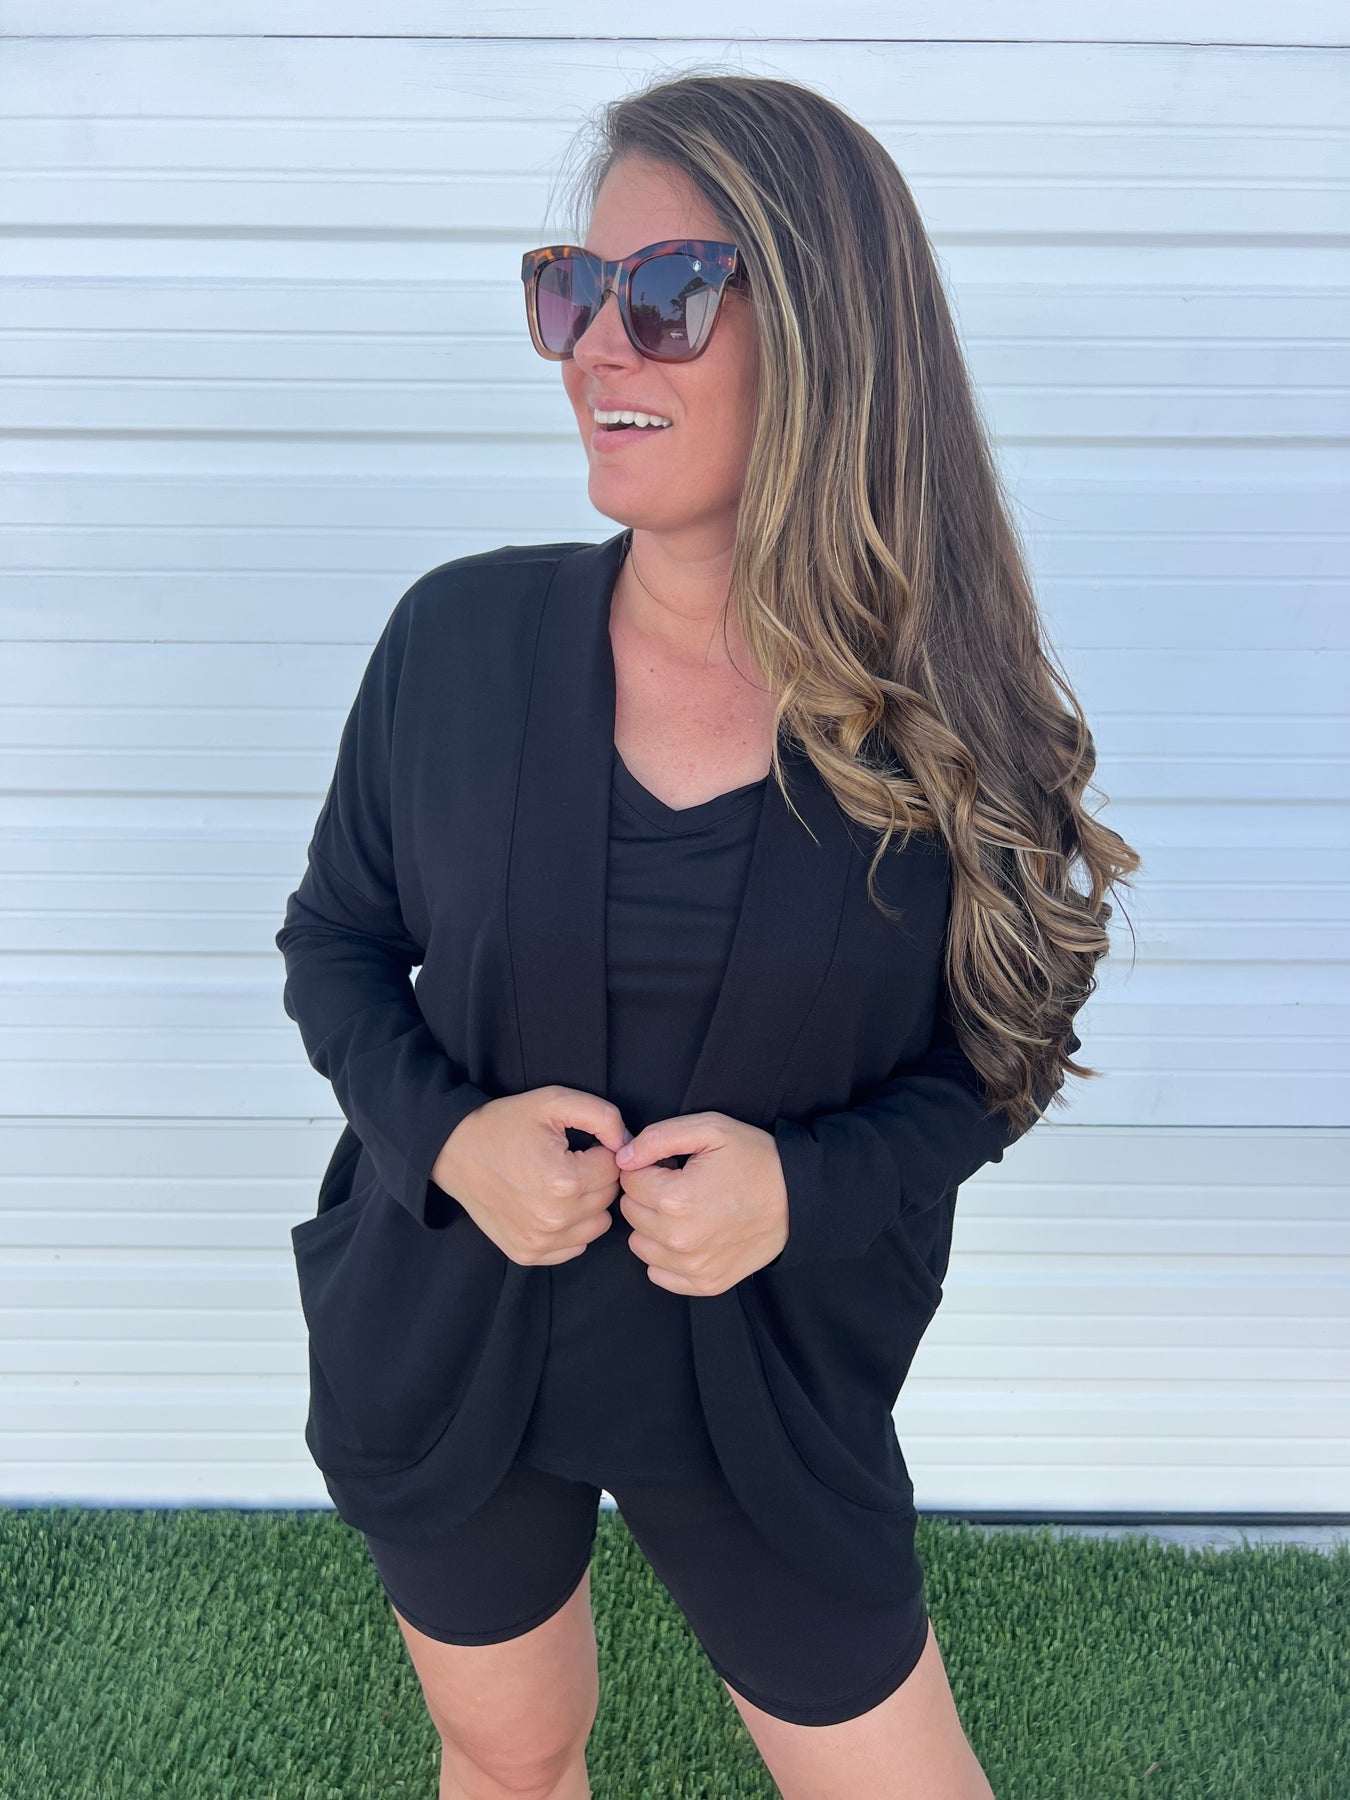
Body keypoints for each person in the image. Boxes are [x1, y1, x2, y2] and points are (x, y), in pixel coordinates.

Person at [275, 69, 1137, 1800]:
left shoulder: (953, 718)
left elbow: (1000, 1061)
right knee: (507, 1758)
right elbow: (335, 946)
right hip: (446, 1340)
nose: (599, 344)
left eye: (665, 293)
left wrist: (799, 1192)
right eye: (569, 289)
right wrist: (449, 1141)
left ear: (825, 336)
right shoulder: (453, 640)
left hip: (770, 1390)